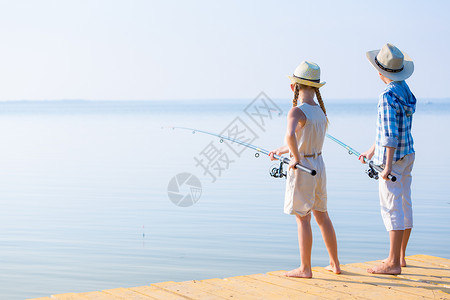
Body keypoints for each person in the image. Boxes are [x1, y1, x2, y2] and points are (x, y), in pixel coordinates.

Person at [269, 61, 340, 278]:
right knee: (322, 216)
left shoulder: (296, 111)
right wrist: (283, 151)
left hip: (303, 167)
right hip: (318, 164)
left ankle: (305, 268)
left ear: (294, 87)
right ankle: (335, 264)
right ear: (316, 88)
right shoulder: (319, 112)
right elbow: (302, 139)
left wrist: (295, 158)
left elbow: (291, 135)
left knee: (302, 217)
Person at [359, 43, 416, 275]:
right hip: (409, 153)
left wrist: (387, 165)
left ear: (380, 72)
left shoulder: (386, 95)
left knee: (392, 208)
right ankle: (400, 256)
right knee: (404, 204)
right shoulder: (405, 91)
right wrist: (372, 150)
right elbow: (391, 129)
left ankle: (392, 263)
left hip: (394, 159)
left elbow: (390, 134)